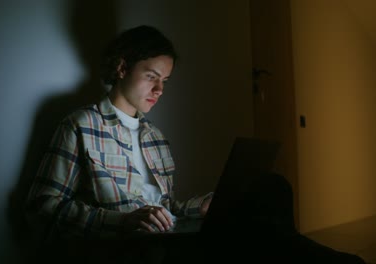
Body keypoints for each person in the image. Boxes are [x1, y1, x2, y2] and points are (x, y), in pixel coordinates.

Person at [25, 25, 366, 264]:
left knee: (271, 189)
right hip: (125, 248)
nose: (159, 90)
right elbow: (43, 205)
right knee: (261, 239)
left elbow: (165, 208)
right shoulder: (80, 125)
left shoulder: (155, 138)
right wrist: (121, 221)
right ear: (121, 67)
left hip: (169, 243)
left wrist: (200, 207)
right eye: (151, 77)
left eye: (166, 81)